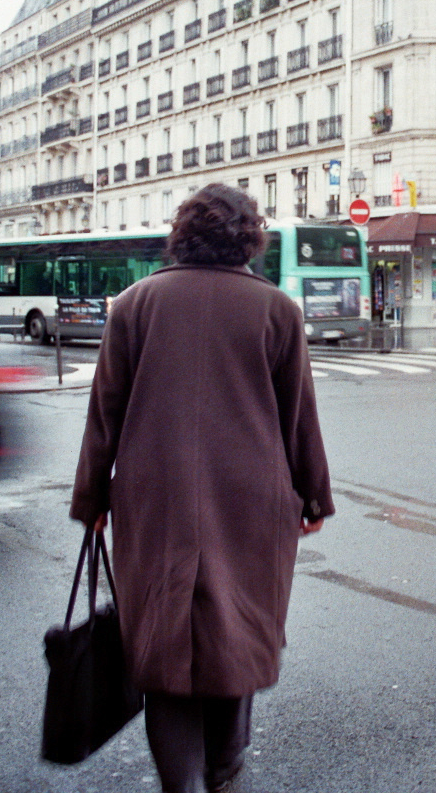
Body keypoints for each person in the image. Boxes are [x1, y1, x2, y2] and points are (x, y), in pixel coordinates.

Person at [71, 184, 333, 793]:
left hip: (154, 495)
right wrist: (313, 496)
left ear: (182, 233)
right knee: (236, 629)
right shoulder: (276, 310)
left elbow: (104, 413)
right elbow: (299, 415)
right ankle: (224, 763)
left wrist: (92, 500)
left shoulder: (134, 304)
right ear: (249, 238)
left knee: (164, 642)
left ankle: (182, 782)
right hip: (251, 496)